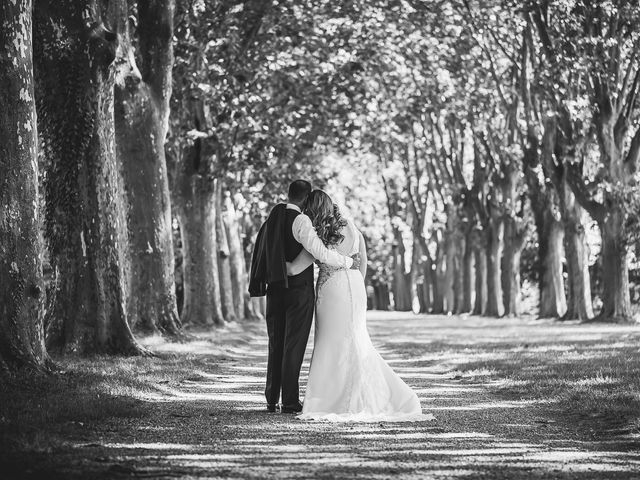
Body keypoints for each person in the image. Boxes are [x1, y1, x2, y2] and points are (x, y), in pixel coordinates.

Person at [286, 190, 434, 422]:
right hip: (355, 285)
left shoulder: (320, 237)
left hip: (332, 288)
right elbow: (362, 262)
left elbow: (294, 268)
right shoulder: (353, 228)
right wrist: (356, 286)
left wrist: (274, 262)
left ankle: (329, 399)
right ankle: (373, 396)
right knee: (357, 340)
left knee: (331, 342)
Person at [249, 180, 360, 414]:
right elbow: (318, 251)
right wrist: (348, 262)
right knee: (294, 346)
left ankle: (271, 399)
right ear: (306, 198)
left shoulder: (271, 219)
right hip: (298, 293)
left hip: (274, 290)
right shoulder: (302, 221)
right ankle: (289, 401)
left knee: (275, 343)